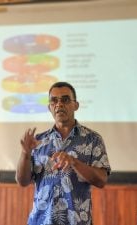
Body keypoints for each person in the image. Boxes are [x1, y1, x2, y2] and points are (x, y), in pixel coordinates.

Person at [16, 81, 111, 225]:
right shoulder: (39, 141)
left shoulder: (93, 139)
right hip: (41, 221)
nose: (59, 104)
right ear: (49, 107)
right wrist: (25, 153)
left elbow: (101, 180)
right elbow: (22, 181)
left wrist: (74, 162)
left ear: (76, 105)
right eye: (54, 101)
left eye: (65, 100)